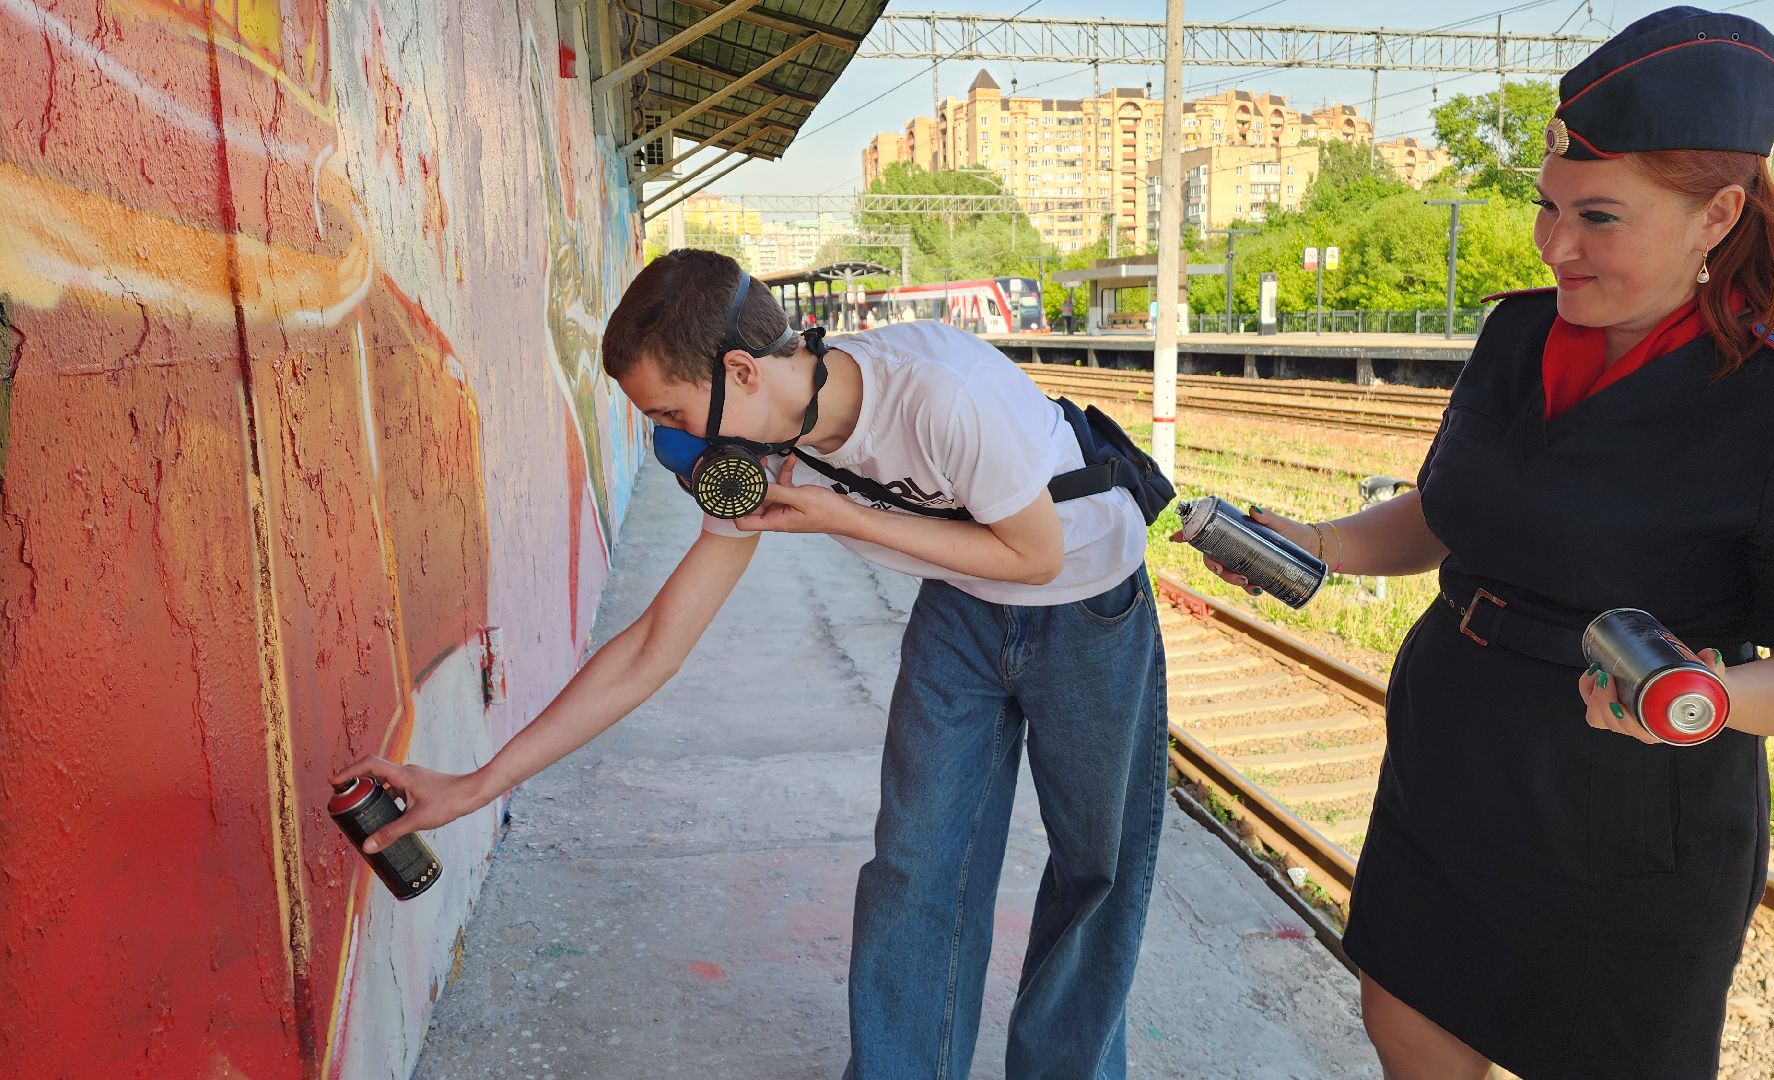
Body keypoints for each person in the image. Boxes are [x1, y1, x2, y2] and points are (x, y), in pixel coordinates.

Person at [1181, 8, 1774, 1079]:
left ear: (1717, 216)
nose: (1556, 246)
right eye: (1547, 208)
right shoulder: (1518, 334)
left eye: (1598, 217)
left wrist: (1707, 697)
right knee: (1407, 1021)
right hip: (1451, 756)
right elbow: (1448, 515)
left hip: (1626, 807)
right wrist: (1319, 542)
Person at [333, 249, 1167, 1078]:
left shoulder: (941, 394)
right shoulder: (763, 447)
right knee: (916, 867)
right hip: (961, 609)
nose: (675, 443)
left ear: (740, 370)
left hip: (1086, 598)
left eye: (674, 413)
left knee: (1095, 870)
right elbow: (653, 646)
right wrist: (478, 784)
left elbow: (1034, 556)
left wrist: (844, 516)